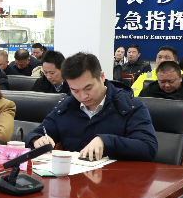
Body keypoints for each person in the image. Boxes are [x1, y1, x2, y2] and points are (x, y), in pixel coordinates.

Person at [26, 52, 158, 162]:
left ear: (101, 76)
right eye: (75, 90)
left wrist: (106, 141)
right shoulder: (66, 106)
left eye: (88, 88)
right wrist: (36, 139)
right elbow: (37, 133)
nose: (83, 96)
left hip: (116, 179)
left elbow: (148, 148)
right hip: (74, 179)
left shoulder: (129, 106)